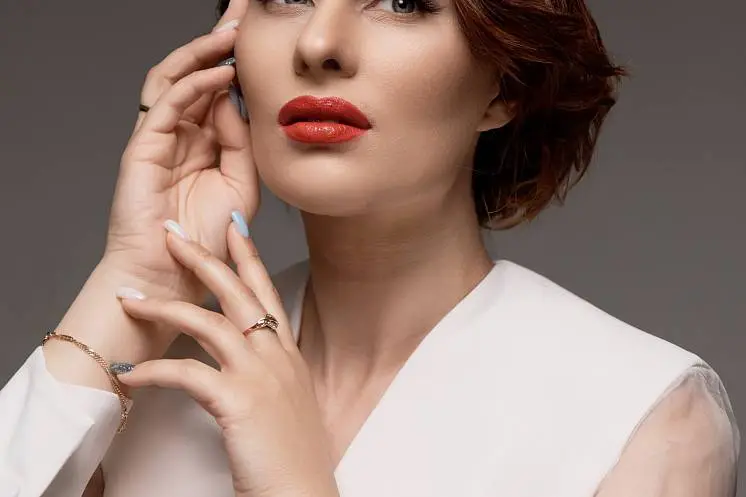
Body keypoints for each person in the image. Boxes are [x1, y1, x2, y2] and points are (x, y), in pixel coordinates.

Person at [0, 0, 740, 495]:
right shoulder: (141, 384)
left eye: (404, 0)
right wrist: (138, 274)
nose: (318, 44)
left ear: (505, 86)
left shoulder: (645, 417)